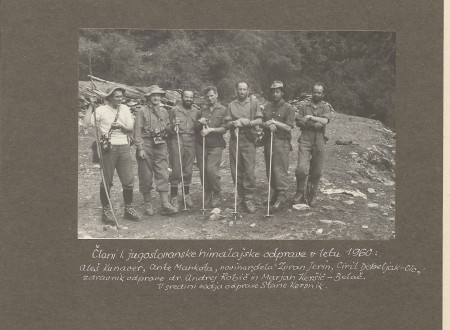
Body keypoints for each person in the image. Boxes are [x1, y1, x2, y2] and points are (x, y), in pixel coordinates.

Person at [83, 86, 140, 224]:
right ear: (109, 97)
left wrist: (120, 127)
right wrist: (91, 106)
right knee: (106, 179)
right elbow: (86, 124)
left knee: (128, 179)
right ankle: (106, 210)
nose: (120, 99)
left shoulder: (125, 109)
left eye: (121, 96)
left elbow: (130, 128)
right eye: (117, 96)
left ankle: (129, 208)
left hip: (124, 146)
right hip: (107, 148)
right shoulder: (101, 110)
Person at [133, 85, 178, 216]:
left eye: (159, 95)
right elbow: (137, 132)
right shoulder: (142, 111)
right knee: (145, 175)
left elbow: (167, 129)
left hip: (161, 145)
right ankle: (148, 203)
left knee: (162, 173)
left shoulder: (164, 111)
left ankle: (165, 204)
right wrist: (140, 148)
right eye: (154, 95)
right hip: (146, 145)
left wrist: (173, 126)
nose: (156, 97)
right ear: (149, 97)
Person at [224, 82, 263, 213]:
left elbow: (259, 120)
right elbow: (227, 123)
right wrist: (236, 122)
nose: (242, 91)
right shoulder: (231, 105)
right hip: (235, 139)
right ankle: (241, 196)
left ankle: (249, 198)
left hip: (249, 139)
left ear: (248, 90)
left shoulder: (253, 103)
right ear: (236, 90)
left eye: (244, 89)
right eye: (240, 89)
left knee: (249, 170)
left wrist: (248, 123)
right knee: (236, 169)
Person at [294, 82, 332, 206]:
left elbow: (325, 121)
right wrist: (311, 123)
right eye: (314, 92)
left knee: (317, 170)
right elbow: (298, 122)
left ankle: (312, 193)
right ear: (312, 92)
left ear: (323, 94)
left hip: (320, 138)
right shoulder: (304, 106)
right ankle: (299, 192)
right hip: (306, 137)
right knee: (301, 169)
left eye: (319, 92)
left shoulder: (326, 107)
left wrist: (310, 117)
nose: (316, 94)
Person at [261, 81, 295, 211]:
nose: (275, 94)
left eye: (278, 91)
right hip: (268, 141)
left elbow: (289, 127)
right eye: (273, 92)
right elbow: (262, 122)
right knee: (270, 169)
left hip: (281, 142)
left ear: (282, 93)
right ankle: (274, 195)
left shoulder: (288, 108)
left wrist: (275, 122)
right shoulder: (268, 106)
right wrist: (268, 124)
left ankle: (282, 196)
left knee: (279, 169)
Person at [196, 86, 228, 208]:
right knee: (203, 170)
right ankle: (207, 192)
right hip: (202, 144)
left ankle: (216, 192)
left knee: (211, 170)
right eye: (207, 96)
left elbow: (225, 129)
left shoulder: (223, 110)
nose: (209, 98)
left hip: (216, 144)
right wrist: (200, 123)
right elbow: (196, 128)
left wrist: (211, 130)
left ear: (216, 95)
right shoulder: (202, 111)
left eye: (211, 95)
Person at [167, 90, 199, 210]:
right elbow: (167, 127)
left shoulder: (196, 111)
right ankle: (174, 195)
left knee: (188, 169)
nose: (189, 99)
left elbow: (197, 128)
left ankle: (186, 194)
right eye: (186, 97)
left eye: (191, 97)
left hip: (191, 140)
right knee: (176, 168)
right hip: (177, 139)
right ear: (182, 97)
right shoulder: (175, 110)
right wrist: (173, 125)